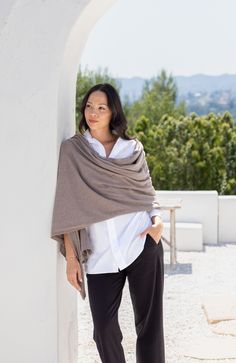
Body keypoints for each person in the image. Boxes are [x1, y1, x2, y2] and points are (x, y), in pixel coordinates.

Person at [51, 83, 165, 363]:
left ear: (113, 111)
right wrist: (72, 259)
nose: (94, 112)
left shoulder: (132, 149)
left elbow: (147, 194)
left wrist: (158, 223)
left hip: (141, 245)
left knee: (149, 327)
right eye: (89, 106)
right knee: (103, 329)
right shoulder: (74, 152)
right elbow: (67, 206)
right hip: (100, 256)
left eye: (101, 107)